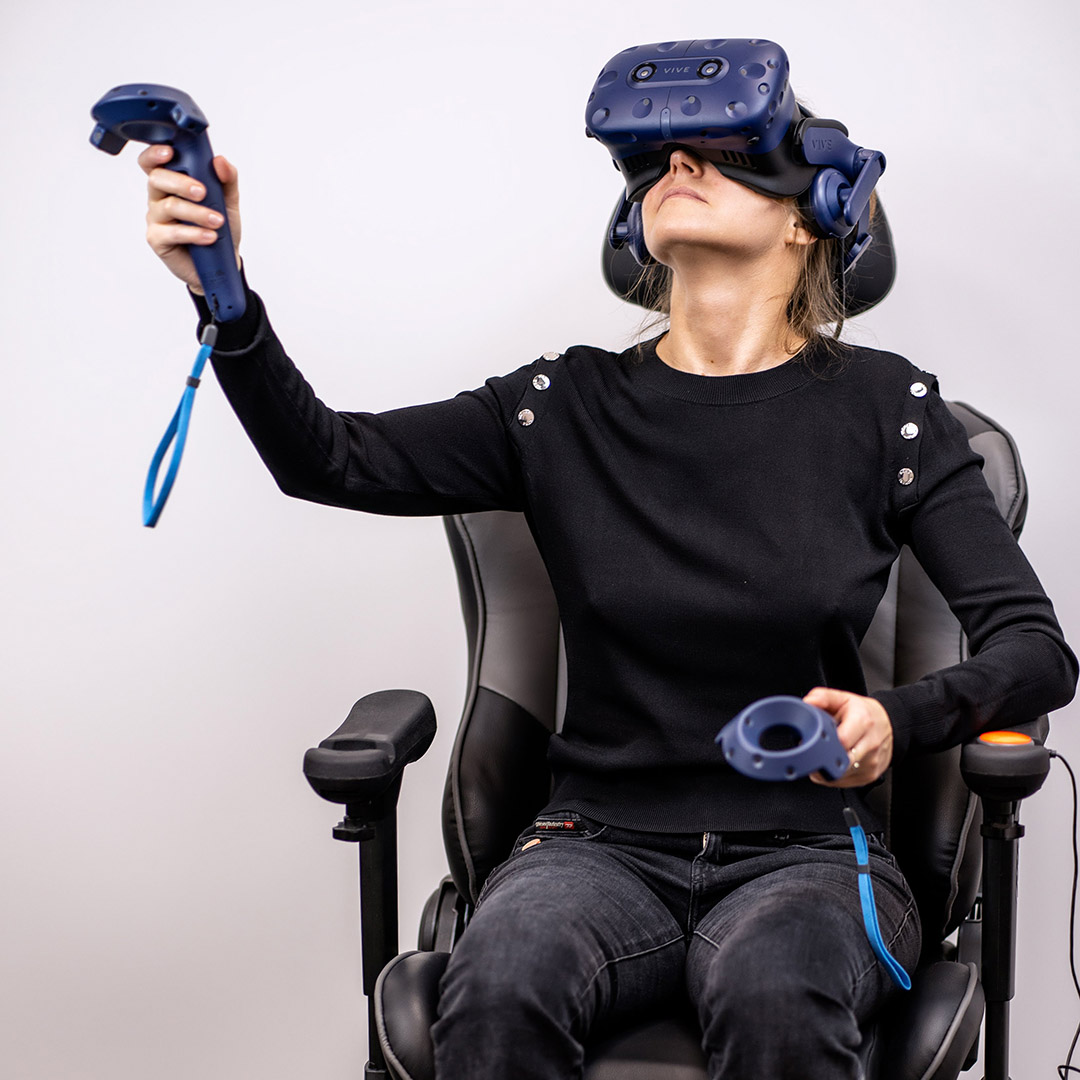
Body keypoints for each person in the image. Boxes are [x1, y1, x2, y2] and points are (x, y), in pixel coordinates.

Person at [135, 81, 1076, 1079]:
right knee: (500, 985)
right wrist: (222, 299)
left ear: (815, 215)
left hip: (810, 852)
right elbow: (327, 457)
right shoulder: (557, 407)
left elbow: (1034, 652)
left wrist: (901, 718)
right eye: (658, 155)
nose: (680, 165)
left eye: (720, 149)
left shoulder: (892, 412)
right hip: (591, 844)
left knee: (776, 991)